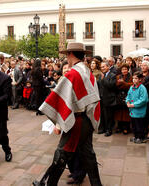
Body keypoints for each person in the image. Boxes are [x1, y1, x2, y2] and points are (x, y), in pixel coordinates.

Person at [33, 42, 102, 186]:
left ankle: (47, 183)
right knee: (88, 154)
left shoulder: (73, 73)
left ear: (70, 54)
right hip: (87, 120)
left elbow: (57, 98)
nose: (66, 57)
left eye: (66, 54)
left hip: (77, 121)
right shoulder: (87, 71)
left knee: (61, 153)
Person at [126, 71, 149, 143]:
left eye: (136, 78)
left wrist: (133, 104)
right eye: (133, 78)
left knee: (140, 125)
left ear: (140, 79)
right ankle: (136, 136)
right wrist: (127, 101)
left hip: (139, 110)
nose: (134, 80)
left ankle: (141, 137)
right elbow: (128, 96)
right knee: (134, 125)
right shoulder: (131, 87)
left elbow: (143, 99)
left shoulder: (142, 88)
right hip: (132, 110)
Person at [99, 61, 117, 137]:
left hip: (109, 99)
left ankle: (109, 130)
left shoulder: (112, 75)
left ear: (108, 67)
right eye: (101, 67)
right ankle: (103, 128)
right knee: (103, 115)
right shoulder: (101, 75)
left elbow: (111, 86)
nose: (102, 68)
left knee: (109, 116)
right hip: (102, 98)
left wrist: (104, 79)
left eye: (103, 67)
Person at [114, 63, 133, 134]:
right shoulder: (118, 76)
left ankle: (126, 128)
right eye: (123, 69)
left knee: (126, 113)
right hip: (119, 96)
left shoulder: (130, 77)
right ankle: (119, 127)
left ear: (128, 70)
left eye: (125, 69)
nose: (124, 71)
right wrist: (123, 85)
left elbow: (131, 86)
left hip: (127, 95)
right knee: (119, 112)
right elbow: (116, 85)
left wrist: (124, 83)